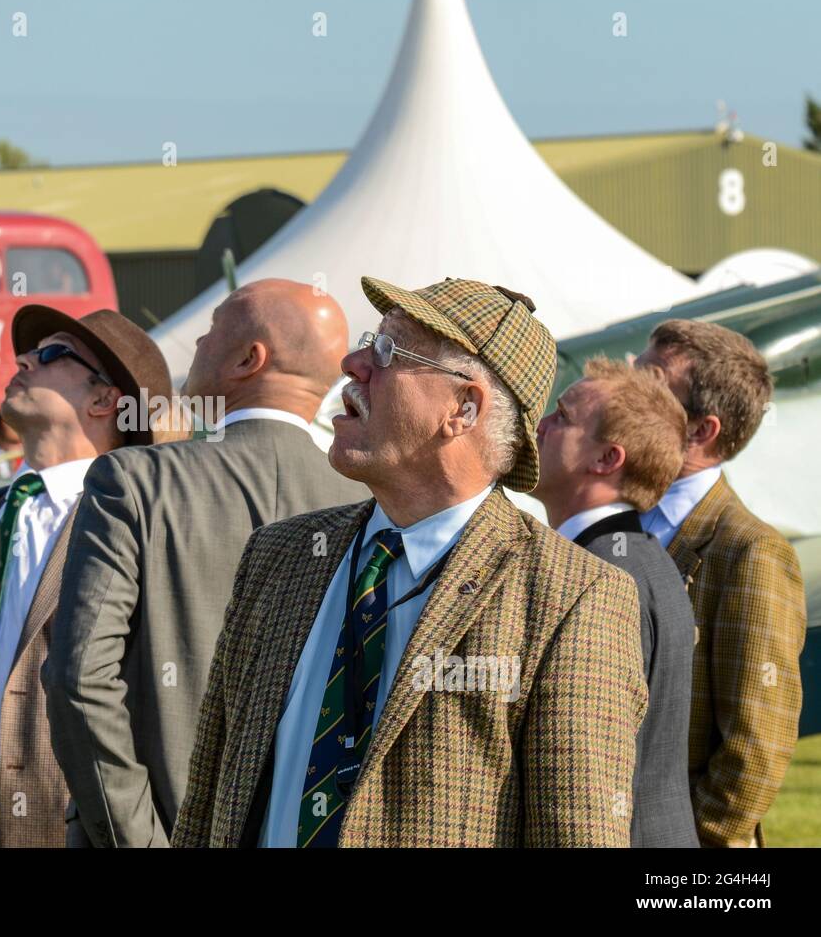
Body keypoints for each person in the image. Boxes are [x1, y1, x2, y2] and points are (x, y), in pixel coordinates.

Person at [174, 277, 647, 848]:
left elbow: (577, 838)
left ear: (463, 408)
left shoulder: (571, 597)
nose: (352, 363)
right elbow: (205, 800)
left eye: (388, 352)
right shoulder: (279, 556)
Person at [43, 278, 367, 847]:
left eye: (214, 326)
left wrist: (137, 838)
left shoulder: (136, 480)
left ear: (249, 359)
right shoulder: (368, 505)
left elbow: (79, 677)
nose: (196, 338)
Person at [0, 306, 173, 847]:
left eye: (50, 354)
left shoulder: (138, 525)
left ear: (102, 400)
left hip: (52, 831)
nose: (23, 360)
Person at [634, 319, 807, 847]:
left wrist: (680, 843)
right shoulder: (613, 521)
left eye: (652, 383)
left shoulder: (750, 552)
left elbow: (755, 749)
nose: (624, 392)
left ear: (701, 431)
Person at [531, 357, 698, 847]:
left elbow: (581, 763)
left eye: (562, 416)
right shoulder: (640, 560)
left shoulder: (602, 577)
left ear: (606, 459)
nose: (540, 425)